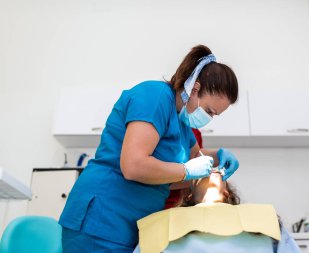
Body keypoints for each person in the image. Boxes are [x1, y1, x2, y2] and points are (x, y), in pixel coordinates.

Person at [59, 45, 240, 252]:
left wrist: (218, 156)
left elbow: (195, 157)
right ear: (195, 88)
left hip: (134, 227)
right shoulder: (155, 97)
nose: (209, 118)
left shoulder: (182, 123)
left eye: (215, 115)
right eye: (209, 110)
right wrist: (187, 171)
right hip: (102, 219)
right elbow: (133, 166)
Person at [134, 172, 302, 253]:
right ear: (190, 194)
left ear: (226, 192)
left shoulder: (262, 217)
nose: (208, 172)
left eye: (216, 172)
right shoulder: (164, 222)